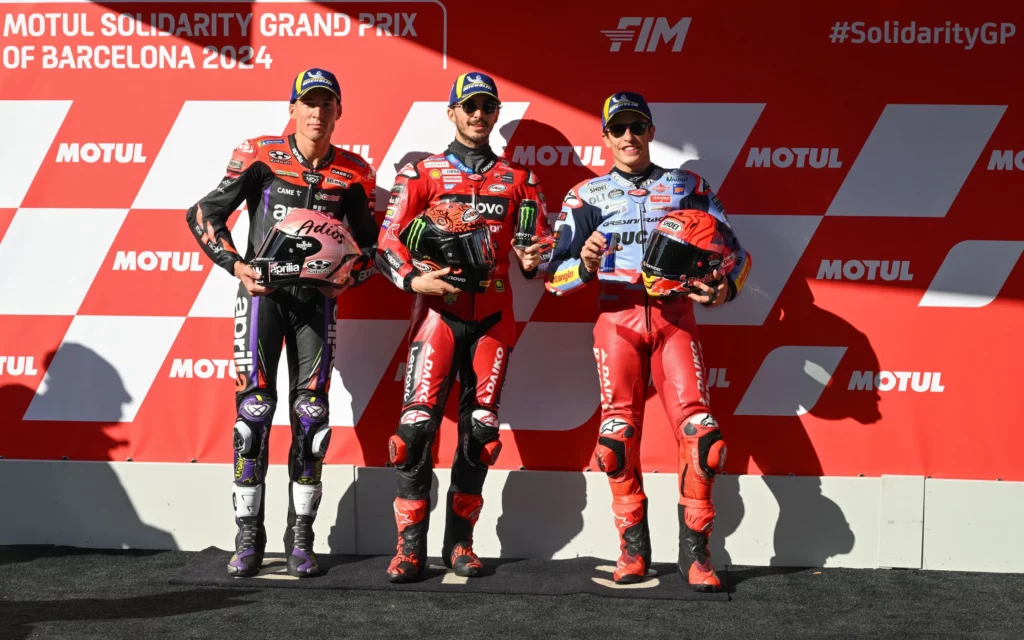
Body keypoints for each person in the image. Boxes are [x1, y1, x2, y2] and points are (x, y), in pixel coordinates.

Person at [544, 92, 752, 591]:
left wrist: (723, 288)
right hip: (615, 320)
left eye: (638, 126)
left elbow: (736, 255)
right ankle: (632, 551)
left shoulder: (687, 186)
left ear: (652, 131)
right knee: (616, 442)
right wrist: (586, 264)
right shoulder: (586, 196)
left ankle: (695, 556)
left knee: (704, 439)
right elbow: (554, 278)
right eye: (619, 128)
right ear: (606, 137)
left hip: (675, 320)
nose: (629, 136)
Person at [185, 68, 379, 578]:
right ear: (292, 108)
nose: (317, 113)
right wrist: (236, 265)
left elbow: (371, 247)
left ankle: (301, 540)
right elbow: (203, 214)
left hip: (316, 303)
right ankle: (248, 538)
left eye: (327, 103)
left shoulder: (354, 172)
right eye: (308, 102)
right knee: (253, 416)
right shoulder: (261, 154)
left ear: (339, 112)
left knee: (312, 420)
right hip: (263, 301)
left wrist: (348, 279)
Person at [375, 71, 553, 582]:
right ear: (451, 113)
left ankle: (460, 545)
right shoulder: (421, 175)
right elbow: (387, 243)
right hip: (438, 315)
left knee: (481, 434)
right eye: (469, 107)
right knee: (413, 432)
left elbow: (534, 258)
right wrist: (413, 280)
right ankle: (409, 549)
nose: (478, 115)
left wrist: (531, 257)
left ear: (496, 114)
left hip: (494, 315)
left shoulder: (521, 180)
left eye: (487, 107)